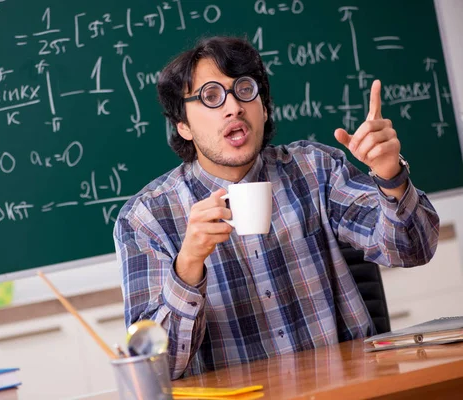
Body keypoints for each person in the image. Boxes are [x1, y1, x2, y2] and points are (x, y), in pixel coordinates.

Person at [113, 36, 439, 380]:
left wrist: (390, 176)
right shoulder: (145, 219)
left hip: (347, 387)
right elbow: (155, 369)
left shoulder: (315, 169)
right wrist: (189, 264)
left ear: (264, 107)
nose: (233, 107)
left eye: (244, 89)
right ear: (184, 126)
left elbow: (413, 250)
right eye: (210, 96)